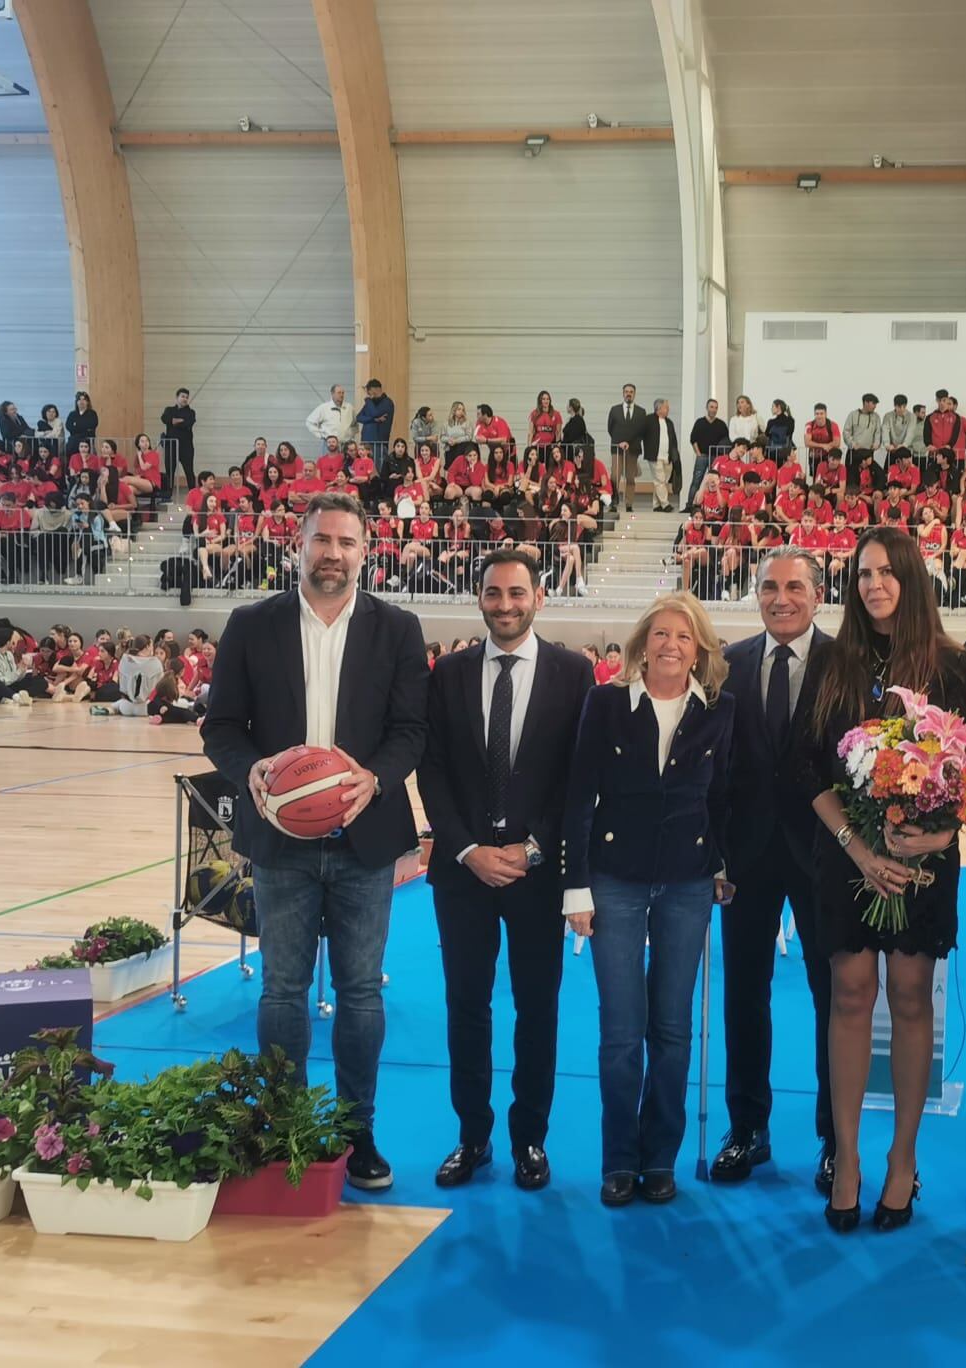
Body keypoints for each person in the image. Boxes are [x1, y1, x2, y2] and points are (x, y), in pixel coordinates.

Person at [202, 491, 429, 1192]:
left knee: (361, 994)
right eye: (322, 540)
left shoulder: (398, 628)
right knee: (282, 991)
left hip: (366, 837)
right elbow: (220, 729)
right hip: (282, 840)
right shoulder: (251, 624)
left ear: (367, 551)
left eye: (346, 542)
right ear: (297, 545)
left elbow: (411, 731)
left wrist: (376, 779)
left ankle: (357, 1134)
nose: (333, 553)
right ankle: (284, 1125)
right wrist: (255, 772)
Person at [799, 526, 966, 1233]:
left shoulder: (949, 663)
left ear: (910, 577)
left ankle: (902, 1161)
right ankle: (846, 1159)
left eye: (885, 572)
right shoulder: (833, 662)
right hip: (846, 858)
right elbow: (807, 768)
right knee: (849, 995)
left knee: (910, 998)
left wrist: (936, 838)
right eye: (862, 573)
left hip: (924, 862)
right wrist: (856, 845)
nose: (872, 584)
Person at [417, 549, 595, 1193]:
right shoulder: (448, 674)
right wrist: (466, 849)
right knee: (466, 1005)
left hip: (537, 874)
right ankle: (472, 1136)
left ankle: (530, 1140)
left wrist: (536, 848)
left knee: (535, 1008)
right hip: (464, 872)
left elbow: (580, 777)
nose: (505, 605)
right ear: (480, 599)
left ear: (539, 598)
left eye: (517, 594)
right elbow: (431, 769)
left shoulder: (575, 674)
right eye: (494, 594)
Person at [562, 592, 734, 1206]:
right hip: (614, 880)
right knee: (620, 1030)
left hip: (688, 884)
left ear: (700, 649)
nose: (670, 645)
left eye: (683, 637)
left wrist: (722, 863)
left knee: (672, 1027)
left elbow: (723, 800)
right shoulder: (605, 704)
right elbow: (580, 796)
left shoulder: (719, 710)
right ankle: (619, 1159)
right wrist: (574, 887)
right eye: (660, 634)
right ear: (642, 644)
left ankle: (659, 1157)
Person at [710, 551, 837, 1190]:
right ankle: (746, 1129)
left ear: (818, 595)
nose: (780, 598)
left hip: (827, 859)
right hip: (746, 863)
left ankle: (834, 1139)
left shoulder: (847, 664)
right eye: (768, 587)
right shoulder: (726, 666)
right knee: (743, 997)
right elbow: (713, 771)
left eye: (794, 587)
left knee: (832, 1000)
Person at [606, 383, 650, 513]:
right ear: (623, 393)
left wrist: (629, 442)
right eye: (626, 391)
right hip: (617, 448)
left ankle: (629, 504)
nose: (628, 394)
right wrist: (620, 442)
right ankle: (613, 502)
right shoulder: (615, 410)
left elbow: (642, 432)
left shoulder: (641, 412)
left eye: (631, 391)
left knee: (630, 478)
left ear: (634, 394)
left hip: (633, 449)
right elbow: (610, 428)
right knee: (615, 476)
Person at [644, 398, 680, 513]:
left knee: (662, 481)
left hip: (667, 457)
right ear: (658, 408)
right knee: (659, 480)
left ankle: (656, 505)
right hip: (655, 456)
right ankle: (665, 504)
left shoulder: (669, 422)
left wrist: (675, 457)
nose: (668, 409)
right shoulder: (648, 420)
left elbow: (673, 441)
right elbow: (640, 433)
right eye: (666, 407)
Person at [160, 387, 197, 492]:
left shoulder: (191, 412)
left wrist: (173, 421)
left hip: (186, 447)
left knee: (189, 471)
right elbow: (164, 419)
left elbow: (188, 423)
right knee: (169, 472)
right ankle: (168, 495)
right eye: (182, 396)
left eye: (186, 397)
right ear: (177, 397)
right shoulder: (169, 409)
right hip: (171, 446)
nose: (185, 399)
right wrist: (179, 420)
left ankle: (193, 494)